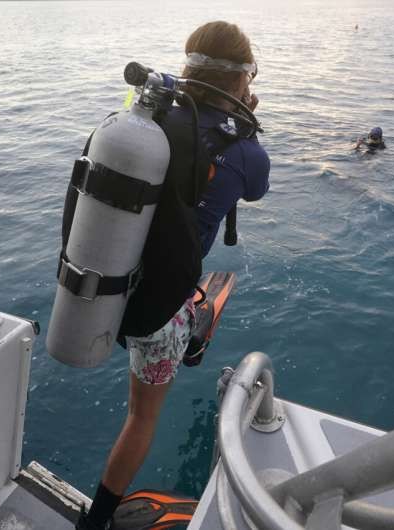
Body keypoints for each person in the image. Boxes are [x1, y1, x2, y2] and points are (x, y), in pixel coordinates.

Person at [76, 21, 270, 530]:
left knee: (185, 299)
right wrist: (246, 125)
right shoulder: (248, 151)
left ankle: (192, 323)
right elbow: (255, 191)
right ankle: (95, 521)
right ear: (244, 80)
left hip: (108, 284)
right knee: (142, 418)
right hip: (158, 310)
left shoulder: (151, 122)